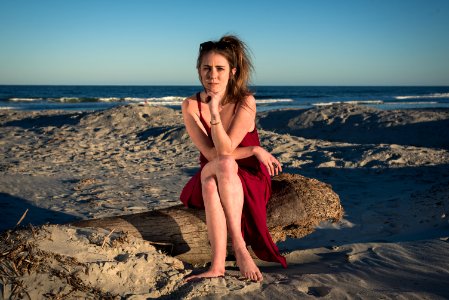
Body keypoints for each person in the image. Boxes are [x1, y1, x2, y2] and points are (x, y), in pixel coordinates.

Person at [180, 35, 287, 282]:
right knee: (221, 166)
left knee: (217, 176)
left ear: (232, 71)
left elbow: (226, 150)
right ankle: (239, 248)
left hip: (248, 179)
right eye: (206, 68)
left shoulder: (245, 102)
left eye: (220, 69)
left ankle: (217, 265)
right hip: (212, 168)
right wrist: (253, 150)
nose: (212, 75)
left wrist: (215, 111)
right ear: (199, 70)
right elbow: (212, 154)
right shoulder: (190, 105)